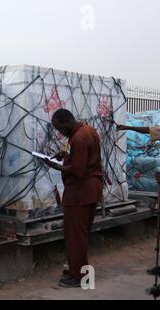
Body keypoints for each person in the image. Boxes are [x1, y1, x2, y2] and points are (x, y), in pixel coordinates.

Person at [43, 109, 103, 287]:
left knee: (75, 235)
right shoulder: (88, 131)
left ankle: (79, 277)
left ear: (66, 123)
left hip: (80, 192)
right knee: (81, 234)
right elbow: (83, 159)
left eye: (59, 128)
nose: (59, 132)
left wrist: (55, 166)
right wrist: (66, 156)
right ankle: (78, 270)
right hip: (90, 190)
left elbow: (77, 170)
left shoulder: (78, 138)